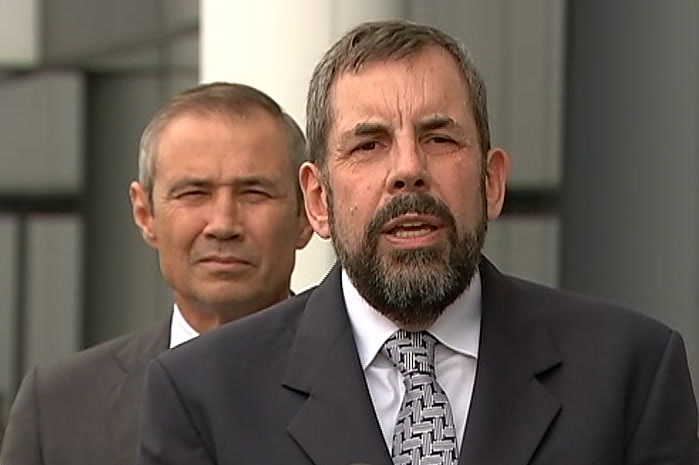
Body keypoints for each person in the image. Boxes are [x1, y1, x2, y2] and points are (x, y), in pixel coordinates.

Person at [136, 20, 698, 465]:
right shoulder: (204, 394)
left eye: (439, 137)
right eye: (369, 145)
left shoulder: (629, 370)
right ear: (317, 200)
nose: (408, 170)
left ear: (491, 181)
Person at [0, 82, 313, 465]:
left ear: (306, 214)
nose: (223, 224)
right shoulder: (56, 409)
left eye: (254, 193)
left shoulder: (371, 387)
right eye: (194, 193)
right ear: (145, 214)